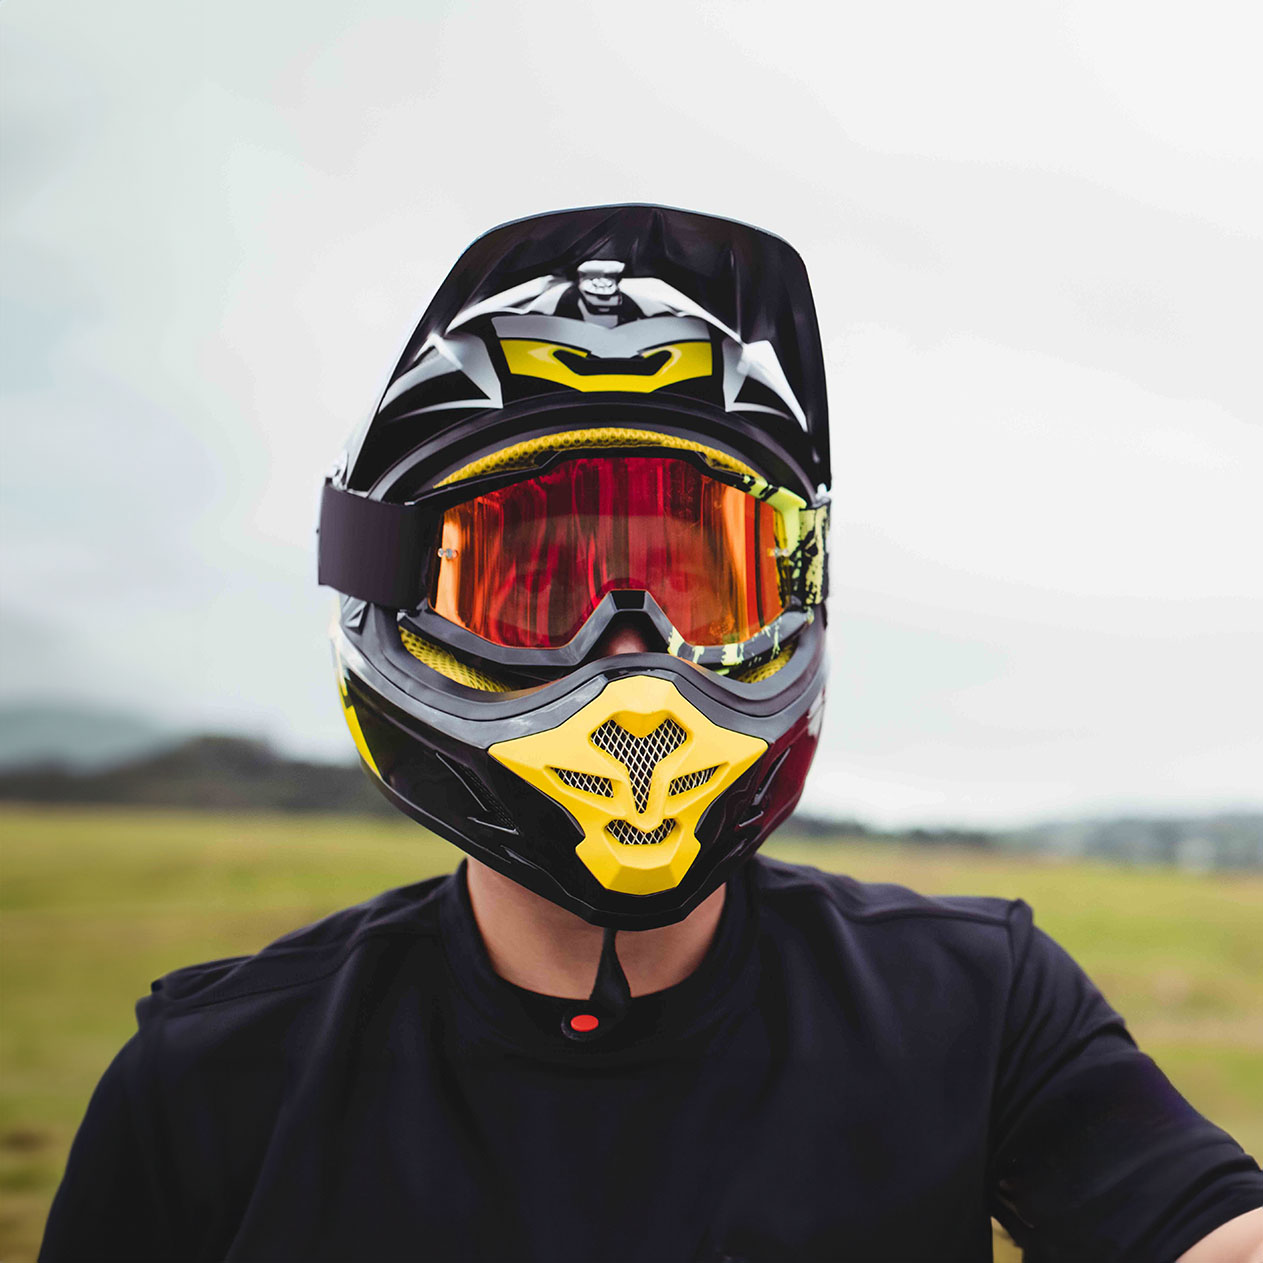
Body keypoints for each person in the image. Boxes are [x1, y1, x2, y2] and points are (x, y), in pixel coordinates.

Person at [41, 205, 1263, 1262]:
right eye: (536, 588)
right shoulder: (212, 1081)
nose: (634, 655)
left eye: (700, 589)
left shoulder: (971, 1000)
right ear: (403, 605)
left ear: (792, 600)